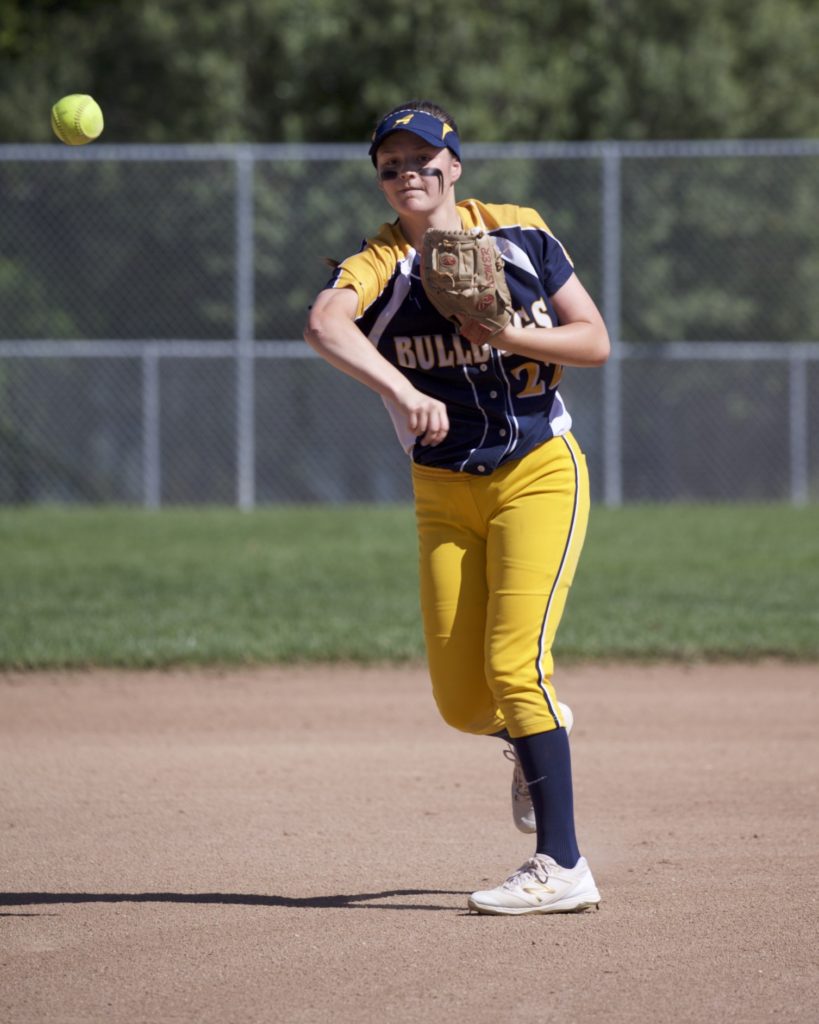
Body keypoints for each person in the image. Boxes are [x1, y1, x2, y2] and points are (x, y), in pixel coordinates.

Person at [304, 100, 610, 915]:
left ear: (455, 165)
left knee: (515, 669)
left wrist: (507, 336)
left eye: (423, 159)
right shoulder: (377, 262)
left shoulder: (520, 233)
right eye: (391, 165)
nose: (409, 174)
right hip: (442, 489)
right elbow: (324, 324)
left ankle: (562, 865)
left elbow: (594, 341)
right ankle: (534, 732)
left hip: (539, 472)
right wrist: (400, 390)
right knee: (462, 702)